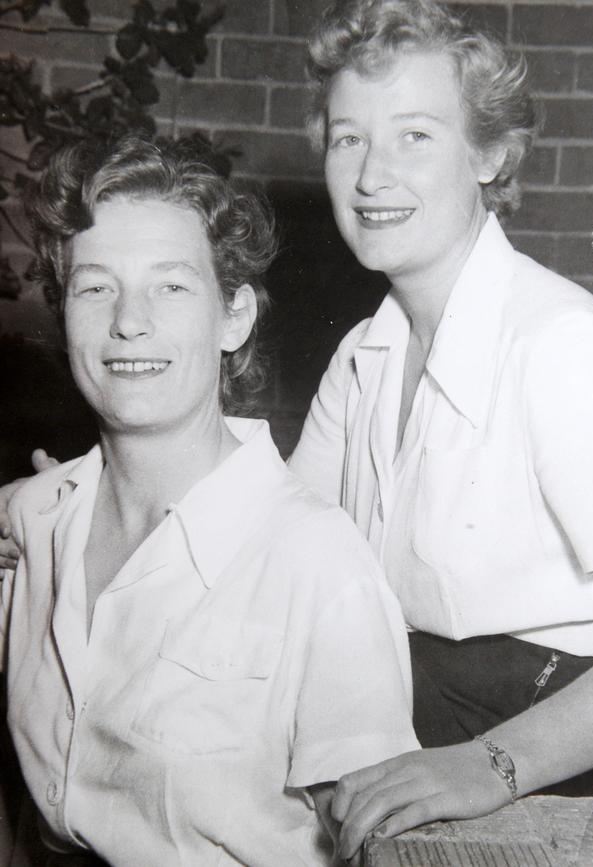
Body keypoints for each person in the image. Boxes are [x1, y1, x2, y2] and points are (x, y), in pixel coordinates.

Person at [285, 0, 593, 860]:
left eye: (414, 135)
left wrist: (493, 764)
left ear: (489, 153)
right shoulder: (364, 354)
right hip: (420, 746)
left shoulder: (556, 344)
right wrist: (87, 504)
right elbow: (271, 553)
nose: (372, 175)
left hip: (576, 782)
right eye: (348, 138)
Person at [0, 134, 419, 866]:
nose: (129, 320)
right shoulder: (35, 522)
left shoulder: (316, 563)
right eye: (96, 286)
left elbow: (381, 849)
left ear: (235, 317)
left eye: (171, 285)